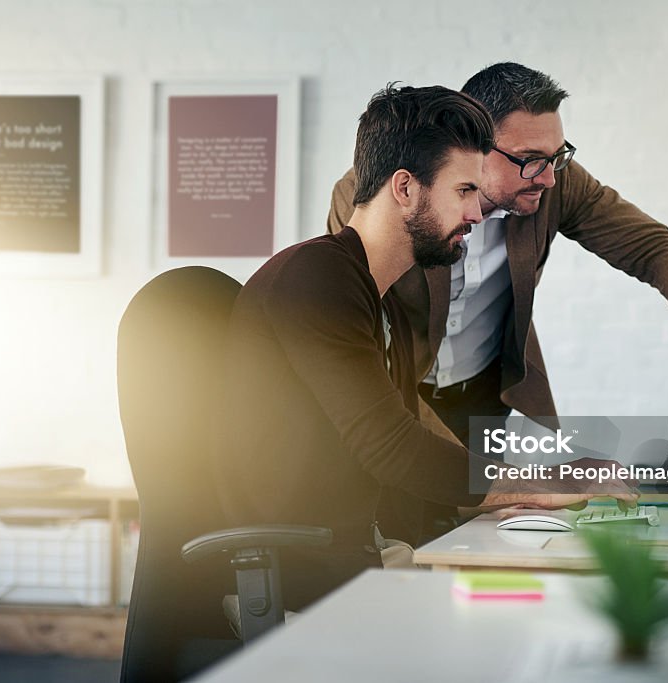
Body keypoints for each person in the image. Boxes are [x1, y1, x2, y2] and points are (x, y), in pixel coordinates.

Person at [216, 84, 637, 609]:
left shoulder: (379, 296)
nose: (478, 213)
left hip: (356, 559)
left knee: (534, 600)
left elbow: (404, 437)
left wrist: (531, 492)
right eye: (463, 191)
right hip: (303, 581)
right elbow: (393, 448)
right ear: (405, 188)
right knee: (526, 618)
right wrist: (543, 485)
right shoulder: (317, 277)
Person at [327, 63, 668, 445]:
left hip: (483, 397)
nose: (550, 178)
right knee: (410, 523)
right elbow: (352, 328)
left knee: (475, 535)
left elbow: (650, 245)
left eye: (556, 156)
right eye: (530, 159)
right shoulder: (381, 195)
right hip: (397, 395)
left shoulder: (552, 181)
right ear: (473, 142)